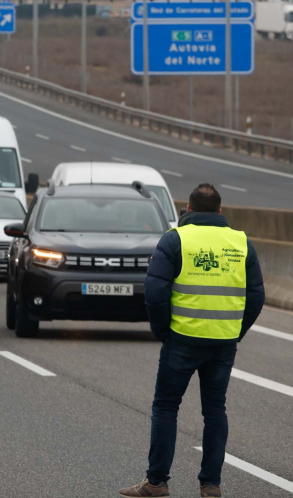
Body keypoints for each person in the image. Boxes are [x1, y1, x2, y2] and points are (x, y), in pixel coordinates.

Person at [119, 184, 265, 498]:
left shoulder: (175, 240)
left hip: (182, 340)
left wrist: (163, 332)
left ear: (188, 209)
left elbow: (155, 293)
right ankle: (211, 485)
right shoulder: (241, 243)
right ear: (220, 212)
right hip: (223, 343)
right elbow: (256, 297)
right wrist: (235, 331)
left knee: (166, 408)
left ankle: (156, 483)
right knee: (215, 410)